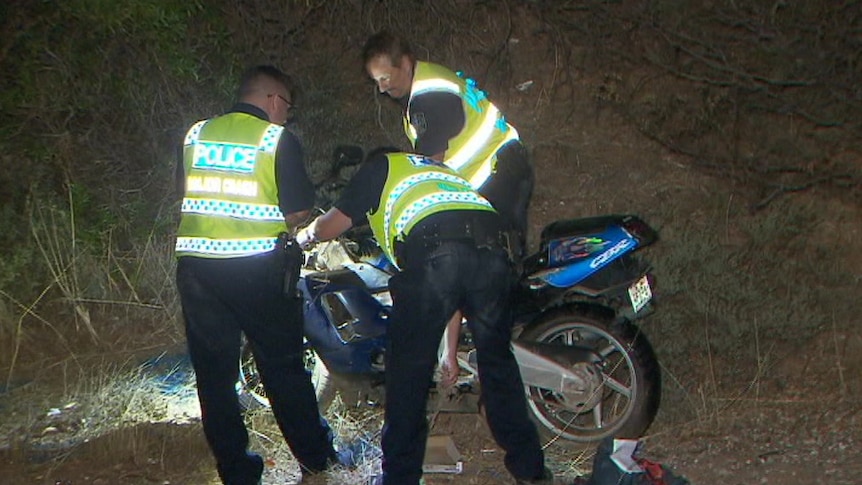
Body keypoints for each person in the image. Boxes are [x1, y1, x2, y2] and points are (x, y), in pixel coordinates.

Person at [295, 148, 552, 485]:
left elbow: (335, 223)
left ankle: (399, 478)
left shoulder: (382, 166)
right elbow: (458, 280)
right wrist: (449, 352)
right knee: (499, 369)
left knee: (407, 379)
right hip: (494, 256)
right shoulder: (438, 171)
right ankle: (531, 472)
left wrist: (305, 235)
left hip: (436, 254)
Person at [174, 65, 347, 485]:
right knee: (283, 368)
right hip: (256, 268)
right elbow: (298, 210)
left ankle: (237, 472)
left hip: (196, 268)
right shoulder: (274, 139)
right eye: (287, 106)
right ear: (273, 99)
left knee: (214, 378)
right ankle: (316, 461)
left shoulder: (196, 134)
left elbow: (186, 191)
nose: (287, 115)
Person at [362, 30, 535, 388]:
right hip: (502, 170)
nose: (381, 88)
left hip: (494, 175)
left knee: (476, 262)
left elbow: (429, 164)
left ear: (405, 64)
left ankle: (499, 361)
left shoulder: (429, 95)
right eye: (375, 81)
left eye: (385, 78)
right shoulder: (430, 81)